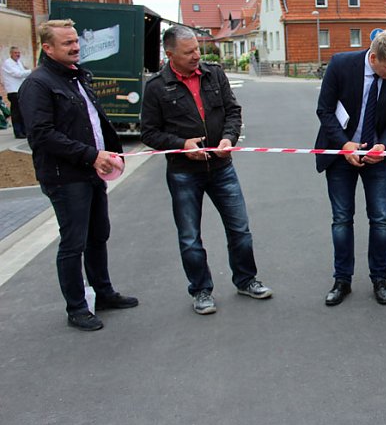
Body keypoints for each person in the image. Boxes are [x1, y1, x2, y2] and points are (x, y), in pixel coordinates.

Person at [141, 26, 272, 315]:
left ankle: (246, 280)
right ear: (170, 54)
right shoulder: (156, 88)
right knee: (189, 236)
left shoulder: (214, 74)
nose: (196, 56)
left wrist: (229, 138)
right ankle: (201, 290)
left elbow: (233, 112)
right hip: (183, 171)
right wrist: (180, 144)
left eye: (197, 49)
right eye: (188, 52)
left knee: (240, 229)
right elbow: (149, 132)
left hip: (222, 166)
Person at [18, 20, 138, 331]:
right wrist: (91, 155)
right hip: (65, 176)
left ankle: (104, 292)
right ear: (48, 48)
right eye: (67, 43)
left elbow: (93, 123)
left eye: (76, 41)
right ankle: (77, 308)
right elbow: (42, 136)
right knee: (73, 243)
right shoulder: (38, 85)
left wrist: (110, 153)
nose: (75, 47)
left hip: (93, 172)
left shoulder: (77, 77)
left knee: (98, 235)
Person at [315, 30, 386, 306]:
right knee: (342, 219)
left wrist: (385, 146)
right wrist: (345, 145)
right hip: (340, 153)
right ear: (374, 58)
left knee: (380, 218)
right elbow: (325, 110)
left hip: (377, 157)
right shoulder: (341, 65)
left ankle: (380, 279)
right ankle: (342, 280)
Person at [2, 46, 32, 138]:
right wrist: (31, 70)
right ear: (11, 53)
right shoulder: (8, 63)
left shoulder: (18, 62)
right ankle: (18, 132)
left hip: (20, 89)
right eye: (15, 53)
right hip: (13, 91)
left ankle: (24, 131)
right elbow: (18, 74)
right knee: (16, 113)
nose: (18, 54)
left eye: (18, 53)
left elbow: (23, 73)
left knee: (22, 111)